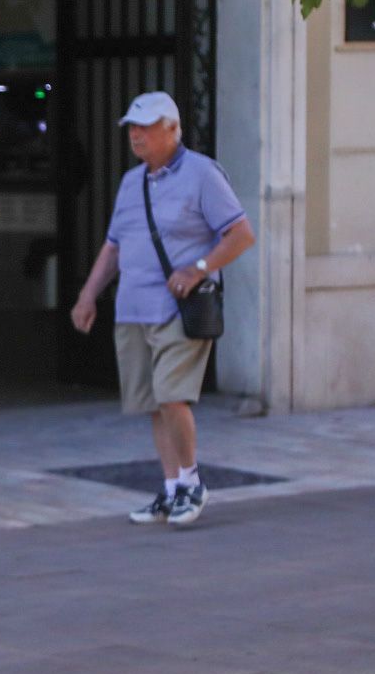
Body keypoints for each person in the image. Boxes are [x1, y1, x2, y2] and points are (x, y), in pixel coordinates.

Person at [71, 91, 255, 527]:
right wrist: (88, 295)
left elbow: (240, 234)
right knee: (154, 403)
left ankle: (191, 483)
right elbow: (114, 246)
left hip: (180, 308)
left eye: (147, 126)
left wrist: (199, 268)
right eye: (132, 127)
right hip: (133, 307)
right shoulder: (131, 182)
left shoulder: (202, 174)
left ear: (173, 129)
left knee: (173, 396)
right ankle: (171, 488)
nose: (137, 135)